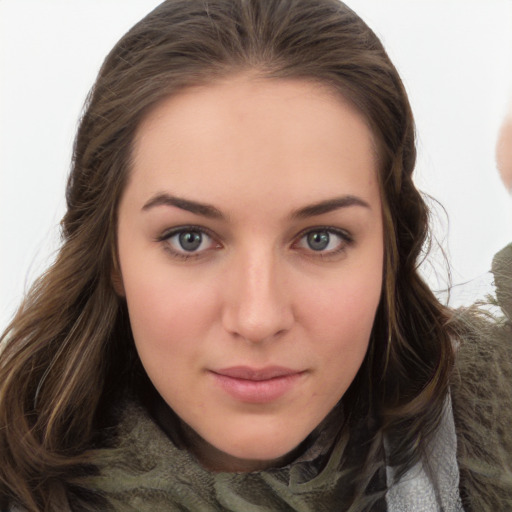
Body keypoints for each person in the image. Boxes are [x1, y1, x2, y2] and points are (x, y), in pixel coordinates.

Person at [0, 0, 510, 510]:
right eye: (190, 239)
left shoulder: (490, 431)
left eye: (320, 238)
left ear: (389, 249)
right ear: (111, 254)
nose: (258, 318)